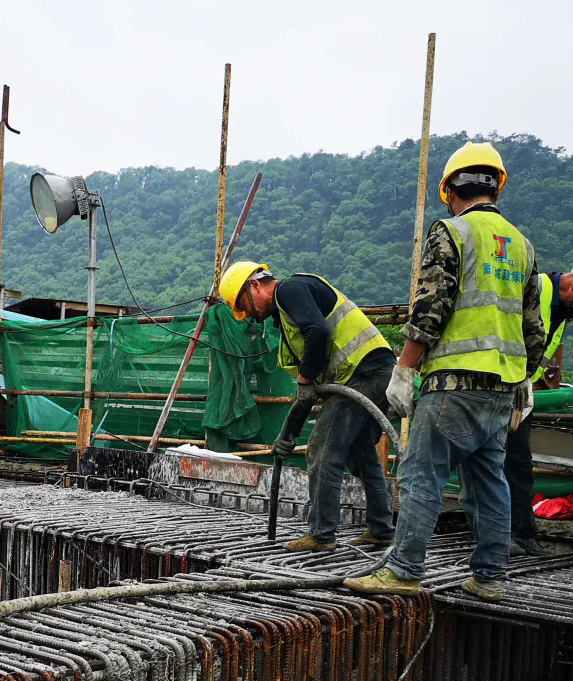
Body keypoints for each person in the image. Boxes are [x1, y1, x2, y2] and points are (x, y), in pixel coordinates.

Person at [345, 141, 546, 603]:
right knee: (490, 481)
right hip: (502, 390)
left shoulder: (451, 232)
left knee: (421, 475)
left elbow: (431, 309)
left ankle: (403, 569)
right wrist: (525, 376)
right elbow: (533, 327)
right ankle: (491, 575)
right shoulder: (523, 245)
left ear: (451, 190)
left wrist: (403, 369)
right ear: (496, 186)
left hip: (453, 385)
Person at [219, 261, 396, 550]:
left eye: (245, 305)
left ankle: (321, 535)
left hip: (360, 371)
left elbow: (319, 333)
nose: (251, 314)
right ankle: (381, 528)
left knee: (323, 449)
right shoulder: (288, 314)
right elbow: (308, 390)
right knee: (360, 452)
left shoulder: (290, 290)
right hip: (375, 369)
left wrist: (304, 378)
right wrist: (287, 434)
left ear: (255, 285)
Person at [506, 269, 572, 557]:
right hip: (497, 385)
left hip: (521, 390)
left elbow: (544, 352)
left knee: (519, 461)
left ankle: (523, 535)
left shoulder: (564, 311)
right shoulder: (536, 287)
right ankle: (496, 535)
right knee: (486, 460)